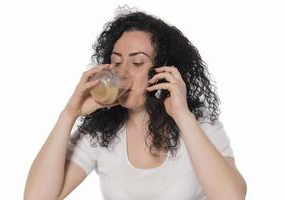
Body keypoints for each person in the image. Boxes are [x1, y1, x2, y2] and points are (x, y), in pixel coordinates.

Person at [24, 8, 247, 200]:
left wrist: (183, 116)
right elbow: (37, 197)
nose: (122, 71)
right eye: (116, 61)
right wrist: (69, 114)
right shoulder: (100, 133)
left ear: (163, 69)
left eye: (137, 62)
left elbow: (231, 196)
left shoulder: (197, 122)